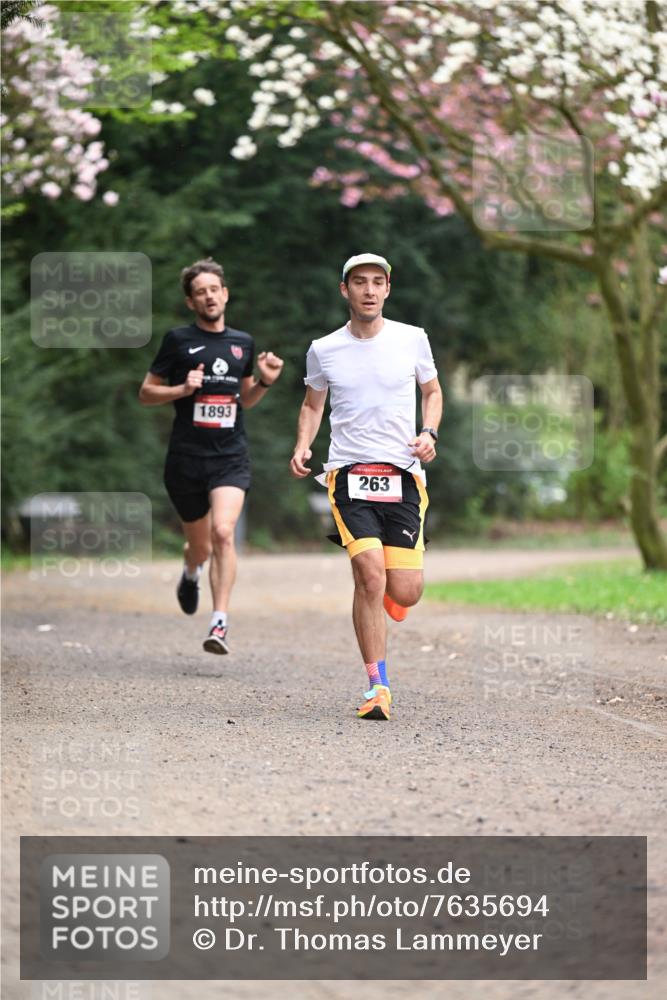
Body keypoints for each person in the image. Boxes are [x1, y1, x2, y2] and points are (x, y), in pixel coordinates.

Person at [290, 253, 442, 720]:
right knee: (369, 576)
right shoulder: (324, 348)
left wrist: (430, 434)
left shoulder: (412, 339)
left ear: (388, 289)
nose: (369, 290)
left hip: (404, 475)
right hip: (348, 475)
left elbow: (432, 393)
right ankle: (378, 687)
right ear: (345, 290)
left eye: (378, 282)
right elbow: (313, 405)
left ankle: (393, 598)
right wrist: (302, 445)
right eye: (360, 282)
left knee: (406, 589)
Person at [139, 258, 283, 654]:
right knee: (200, 546)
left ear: (225, 294)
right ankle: (190, 572)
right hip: (186, 458)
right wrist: (181, 390)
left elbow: (246, 400)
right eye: (200, 292)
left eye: (214, 289)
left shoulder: (243, 343)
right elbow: (146, 393)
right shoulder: (177, 341)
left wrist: (266, 382)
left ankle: (219, 622)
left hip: (229, 456)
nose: (209, 296)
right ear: (191, 301)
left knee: (224, 532)